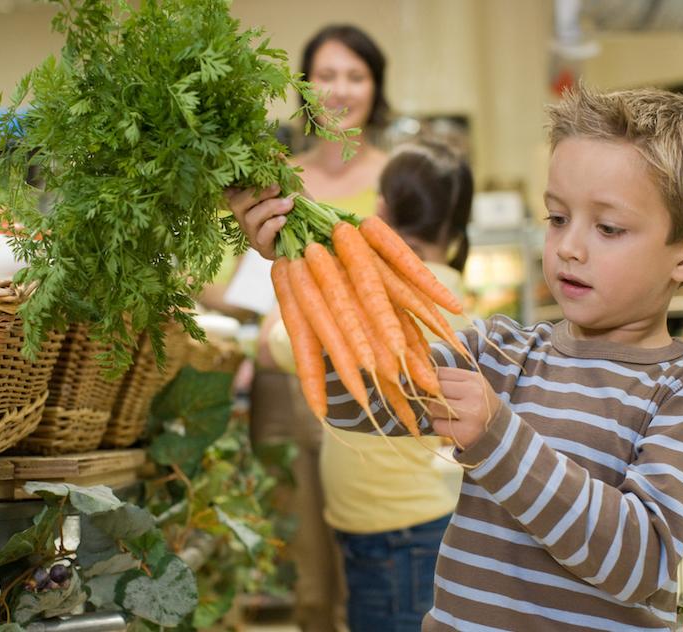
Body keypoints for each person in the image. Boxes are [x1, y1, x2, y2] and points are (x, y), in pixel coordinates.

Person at [229, 83, 683, 631]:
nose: (570, 246)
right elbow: (353, 403)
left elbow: (637, 562)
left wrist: (497, 435)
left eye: (609, 227)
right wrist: (305, 262)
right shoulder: (500, 353)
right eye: (556, 218)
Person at [266, 140, 472, 632]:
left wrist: (291, 279)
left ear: (380, 209)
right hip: (414, 521)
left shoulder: (370, 290)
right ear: (458, 228)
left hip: (394, 533)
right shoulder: (449, 293)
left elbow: (276, 344)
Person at [246, 23, 389, 632]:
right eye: (326, 75)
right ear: (303, 87)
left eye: (355, 75)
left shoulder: (397, 176)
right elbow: (232, 279)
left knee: (370, 557)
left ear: (376, 88)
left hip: (370, 377)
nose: (339, 89)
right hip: (285, 379)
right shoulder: (281, 180)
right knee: (303, 563)